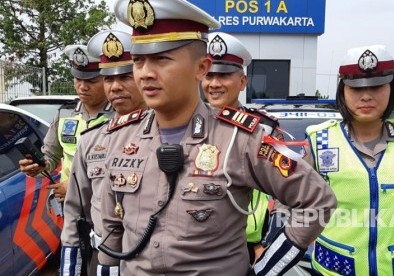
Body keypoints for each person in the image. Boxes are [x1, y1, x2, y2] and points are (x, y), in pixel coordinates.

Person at [96, 0, 336, 275]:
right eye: (138, 60)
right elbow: (112, 227)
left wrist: (266, 269)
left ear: (201, 68)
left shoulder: (239, 138)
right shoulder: (121, 136)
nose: (146, 72)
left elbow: (317, 201)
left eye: (162, 59)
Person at [304, 45, 394, 275]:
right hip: (333, 270)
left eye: (376, 87)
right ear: (342, 90)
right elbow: (296, 204)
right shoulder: (318, 140)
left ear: (392, 88)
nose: (366, 96)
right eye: (355, 88)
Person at [60, 30, 146, 276]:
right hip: (104, 260)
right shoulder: (91, 141)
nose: (116, 87)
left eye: (126, 76)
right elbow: (75, 213)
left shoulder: (169, 134)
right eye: (108, 78)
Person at [201, 31, 270, 264]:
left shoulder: (264, 128)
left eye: (224, 75)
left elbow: (289, 194)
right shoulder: (184, 125)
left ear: (242, 82)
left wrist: (268, 245)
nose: (214, 83)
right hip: (195, 247)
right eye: (208, 75)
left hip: (251, 247)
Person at [19, 44, 113, 202]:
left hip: (105, 207)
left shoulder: (120, 115)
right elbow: (50, 157)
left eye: (91, 81)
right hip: (69, 209)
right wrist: (37, 168)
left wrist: (77, 188)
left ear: (107, 79)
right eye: (78, 79)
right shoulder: (64, 114)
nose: (82, 87)